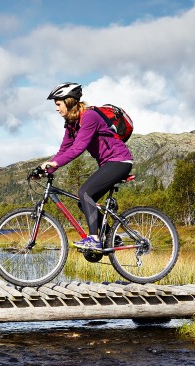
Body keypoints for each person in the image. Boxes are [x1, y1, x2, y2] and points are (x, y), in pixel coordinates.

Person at [39, 82, 133, 250]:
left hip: (120, 161)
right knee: (84, 202)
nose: (57, 108)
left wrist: (55, 163)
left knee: (85, 192)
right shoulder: (71, 124)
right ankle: (112, 237)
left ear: (68, 102)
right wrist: (46, 169)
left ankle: (94, 239)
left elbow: (78, 148)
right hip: (108, 163)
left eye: (58, 104)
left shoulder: (89, 116)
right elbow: (64, 149)